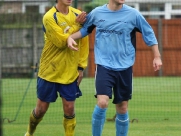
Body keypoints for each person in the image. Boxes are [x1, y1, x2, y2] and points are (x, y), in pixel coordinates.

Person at [67, 0, 162, 136]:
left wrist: (157, 56)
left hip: (125, 67)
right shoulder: (97, 13)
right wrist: (70, 37)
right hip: (104, 66)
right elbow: (84, 30)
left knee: (122, 108)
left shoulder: (133, 14)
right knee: (102, 102)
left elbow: (149, 34)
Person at [24, 0, 89, 136]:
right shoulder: (49, 17)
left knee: (70, 108)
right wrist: (77, 24)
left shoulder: (78, 14)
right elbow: (61, 42)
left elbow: (84, 42)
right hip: (50, 71)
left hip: (70, 71)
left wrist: (81, 67)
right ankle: (30, 132)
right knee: (41, 109)